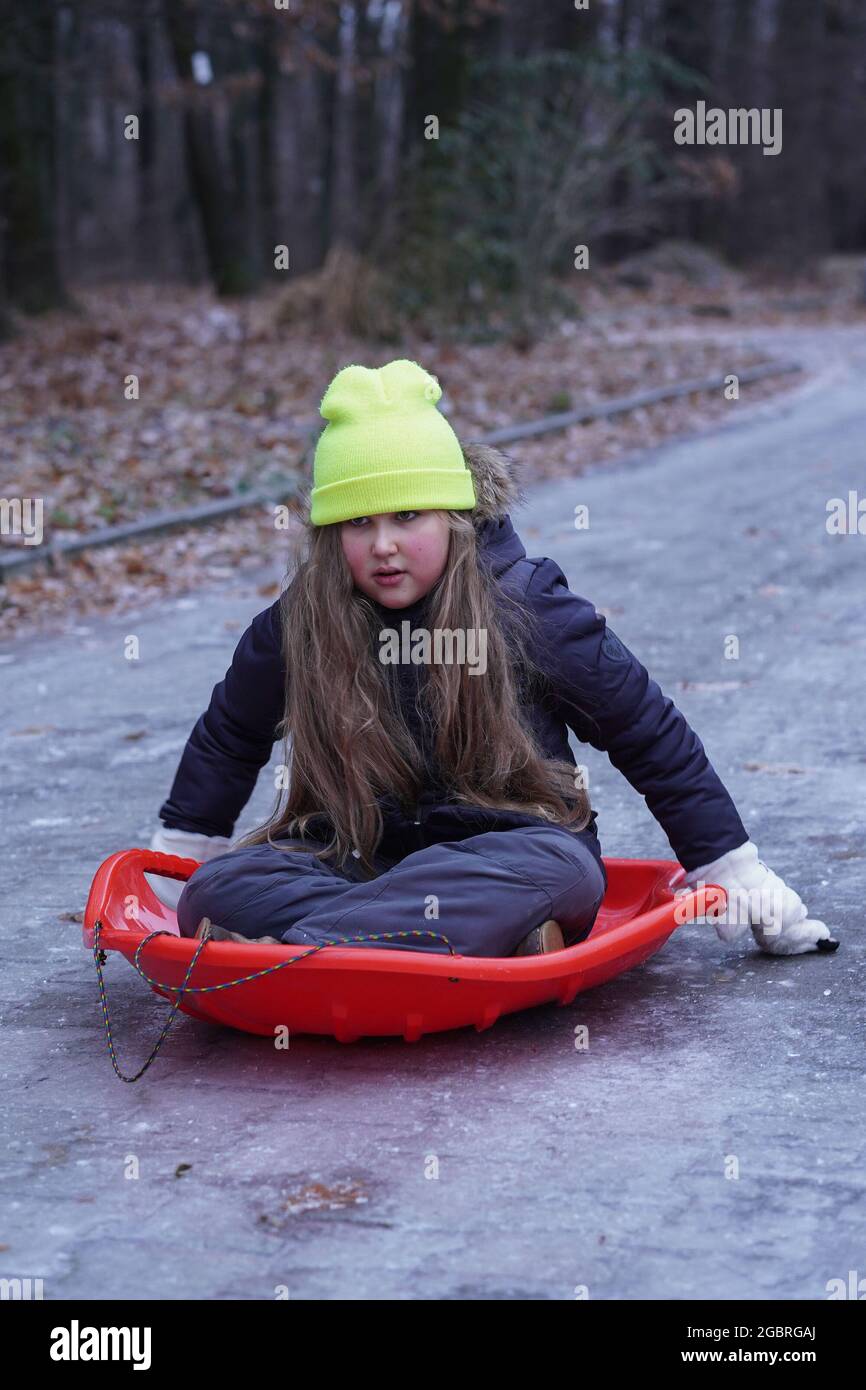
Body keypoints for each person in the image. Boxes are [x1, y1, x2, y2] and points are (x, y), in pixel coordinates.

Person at [150, 358, 836, 959]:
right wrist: (183, 854)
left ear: (452, 515)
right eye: (359, 523)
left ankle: (310, 952)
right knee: (221, 890)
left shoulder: (525, 605)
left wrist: (731, 867)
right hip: (361, 857)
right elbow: (231, 732)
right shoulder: (305, 621)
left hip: (507, 850)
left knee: (559, 873)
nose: (383, 544)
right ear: (333, 538)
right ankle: (441, 939)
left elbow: (646, 732)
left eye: (407, 517)